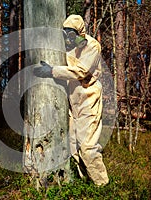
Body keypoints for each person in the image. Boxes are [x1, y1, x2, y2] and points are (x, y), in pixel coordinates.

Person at [33, 14, 109, 186]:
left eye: (72, 32)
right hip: (73, 102)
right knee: (74, 147)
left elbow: (81, 71)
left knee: (88, 148)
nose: (68, 36)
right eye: (66, 32)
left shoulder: (92, 46)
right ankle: (86, 183)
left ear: (80, 31)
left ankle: (102, 186)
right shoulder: (68, 47)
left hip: (89, 100)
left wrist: (53, 71)